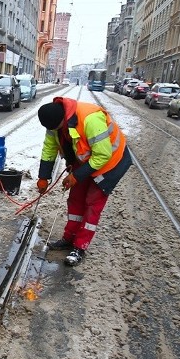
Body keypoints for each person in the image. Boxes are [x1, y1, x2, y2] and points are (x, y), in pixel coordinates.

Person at [35, 97, 132, 266]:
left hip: (110, 163)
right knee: (76, 200)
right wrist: (43, 176)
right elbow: (49, 147)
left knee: (92, 204)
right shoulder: (54, 123)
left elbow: (103, 155)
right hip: (85, 160)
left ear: (63, 120)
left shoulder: (90, 119)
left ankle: (80, 247)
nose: (53, 131)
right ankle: (69, 238)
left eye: (56, 128)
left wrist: (77, 176)